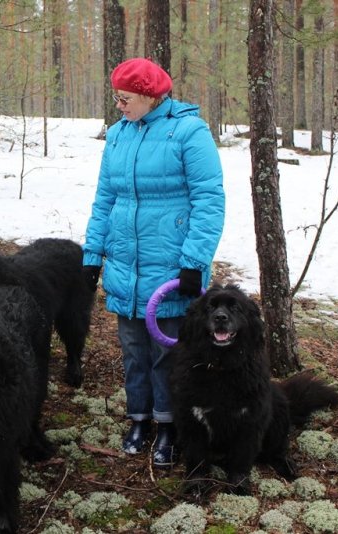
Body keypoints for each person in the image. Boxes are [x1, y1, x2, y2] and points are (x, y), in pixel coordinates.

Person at [82, 58, 225, 468]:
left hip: (171, 270)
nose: (119, 105)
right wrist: (93, 255)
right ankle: (139, 419)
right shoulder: (117, 136)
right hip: (127, 267)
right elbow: (104, 200)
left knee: (168, 355)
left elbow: (209, 201)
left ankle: (169, 426)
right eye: (116, 98)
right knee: (133, 351)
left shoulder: (190, 133)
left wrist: (194, 261)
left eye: (124, 98)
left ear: (148, 95)